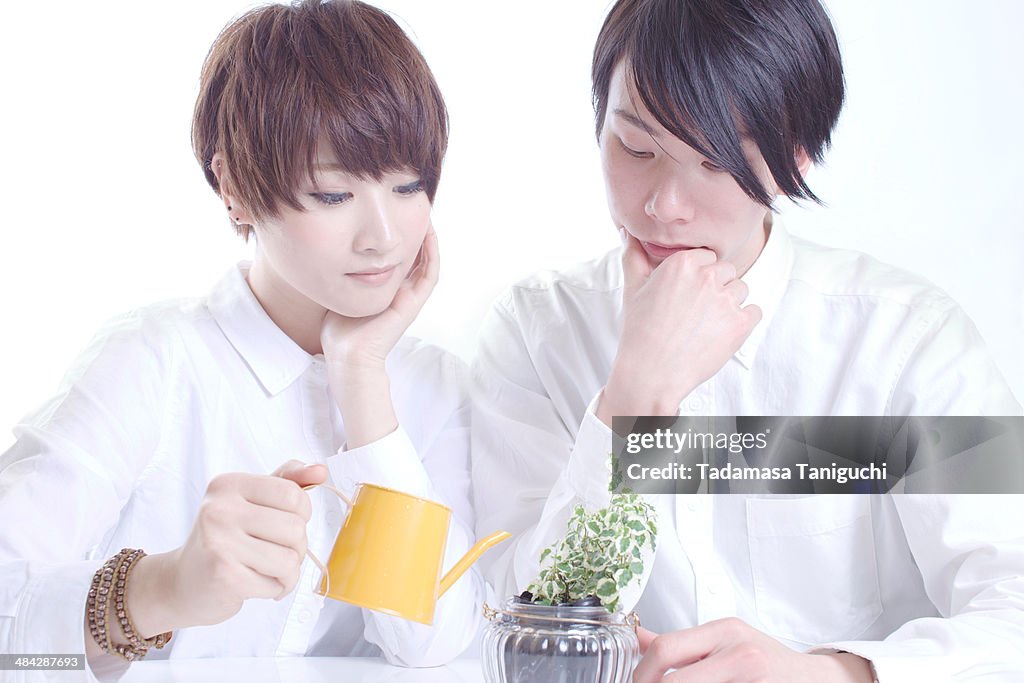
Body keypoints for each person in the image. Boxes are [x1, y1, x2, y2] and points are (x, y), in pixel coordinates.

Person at [471, 0, 1024, 681]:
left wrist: (832, 672)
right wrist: (634, 399)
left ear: (797, 155)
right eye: (636, 146)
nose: (664, 204)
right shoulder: (535, 334)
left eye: (714, 162)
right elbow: (520, 630)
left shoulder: (911, 341)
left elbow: (1015, 609)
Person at [0, 0, 482, 679]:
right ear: (234, 188)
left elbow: (432, 647)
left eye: (409, 185)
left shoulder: (435, 383)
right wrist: (162, 588)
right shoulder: (154, 362)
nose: (384, 235)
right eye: (333, 194)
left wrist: (363, 384)